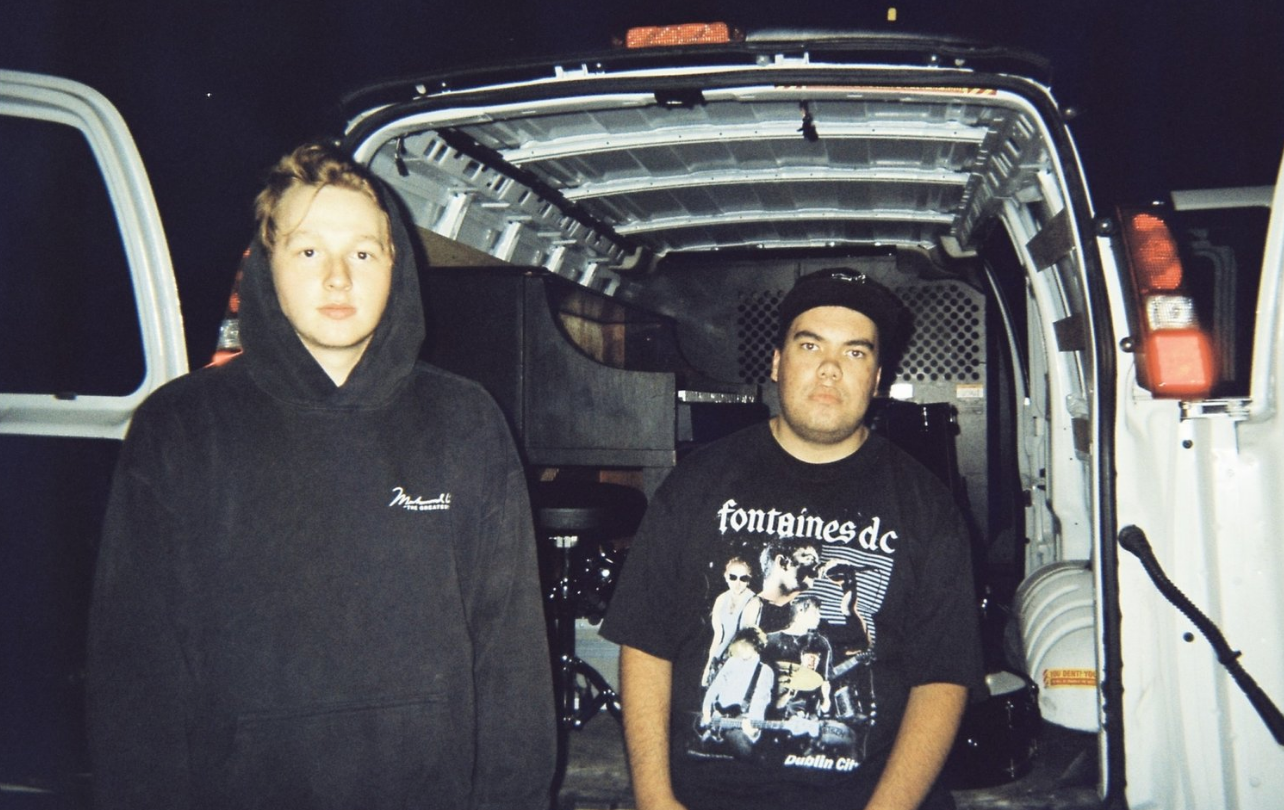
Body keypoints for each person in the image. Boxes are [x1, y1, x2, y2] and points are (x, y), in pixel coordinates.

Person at [86, 142, 556, 810]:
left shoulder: (465, 420)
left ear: (396, 265)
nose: (338, 278)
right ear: (265, 265)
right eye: (308, 251)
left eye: (362, 253)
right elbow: (135, 671)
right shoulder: (182, 427)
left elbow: (511, 656)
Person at [600, 267, 984, 810]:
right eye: (810, 345)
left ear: (877, 379)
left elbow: (942, 679)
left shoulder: (928, 506)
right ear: (777, 363)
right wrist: (655, 800)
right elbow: (645, 645)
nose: (830, 368)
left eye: (855, 352)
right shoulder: (697, 483)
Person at [702, 557, 759, 684]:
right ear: (726, 577)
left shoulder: (753, 601)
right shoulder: (721, 599)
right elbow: (718, 636)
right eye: (733, 577)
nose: (737, 583)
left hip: (739, 659)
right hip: (719, 658)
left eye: (743, 578)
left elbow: (745, 639)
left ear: (748, 580)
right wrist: (708, 667)